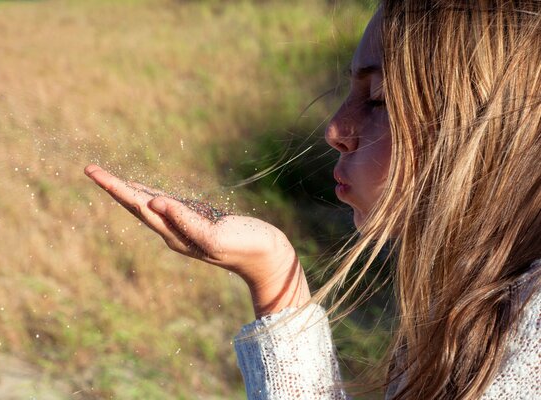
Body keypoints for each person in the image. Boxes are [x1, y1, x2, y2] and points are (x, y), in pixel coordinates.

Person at [84, 0, 541, 398]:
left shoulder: (531, 330)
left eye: (378, 98)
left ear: (484, 126)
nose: (336, 130)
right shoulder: (472, 305)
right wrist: (273, 274)